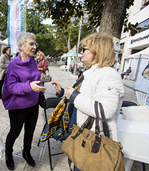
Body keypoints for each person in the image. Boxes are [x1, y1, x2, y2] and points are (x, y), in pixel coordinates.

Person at [51, 33, 124, 171]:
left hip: (95, 143)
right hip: (85, 137)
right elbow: (84, 97)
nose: (81, 52)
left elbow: (105, 110)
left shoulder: (108, 74)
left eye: (85, 48)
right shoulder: (93, 72)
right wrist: (64, 93)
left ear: (98, 51)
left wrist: (74, 96)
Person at [2, 32, 46, 170]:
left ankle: (26, 153)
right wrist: (29, 86)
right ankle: (8, 154)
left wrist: (39, 85)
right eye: (31, 44)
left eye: (35, 44)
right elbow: (11, 86)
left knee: (30, 132)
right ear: (21, 46)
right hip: (18, 106)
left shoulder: (33, 61)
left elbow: (34, 78)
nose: (34, 47)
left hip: (33, 105)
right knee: (14, 132)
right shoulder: (13, 64)